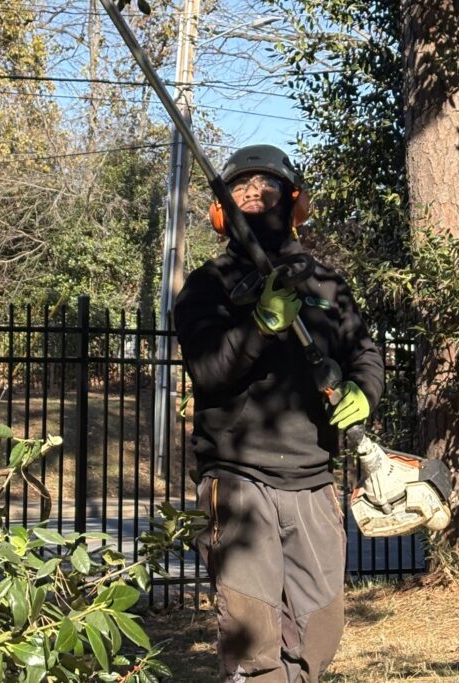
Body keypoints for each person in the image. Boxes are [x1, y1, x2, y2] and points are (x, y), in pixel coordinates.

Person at [174, 145, 384, 682]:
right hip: (237, 477)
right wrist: (259, 326)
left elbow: (364, 352)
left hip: (312, 479)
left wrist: (363, 390)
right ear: (222, 210)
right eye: (241, 188)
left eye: (267, 185)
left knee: (320, 628)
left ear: (293, 201)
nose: (254, 194)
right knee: (253, 636)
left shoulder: (327, 283)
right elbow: (209, 371)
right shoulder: (206, 286)